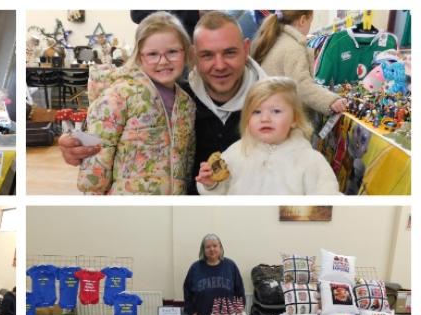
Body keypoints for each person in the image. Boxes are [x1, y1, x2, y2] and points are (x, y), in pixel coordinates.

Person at [61, 11, 268, 195]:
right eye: (207, 55)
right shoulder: (184, 97)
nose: (220, 65)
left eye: (230, 52)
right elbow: (99, 142)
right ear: (194, 55)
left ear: (246, 48)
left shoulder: (273, 103)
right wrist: (73, 143)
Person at [76, 12, 195, 195]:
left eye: (172, 52)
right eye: (153, 54)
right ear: (140, 57)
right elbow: (98, 153)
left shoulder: (187, 103)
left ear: (186, 52)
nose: (163, 61)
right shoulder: (119, 96)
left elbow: (186, 159)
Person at [196, 77, 340, 194]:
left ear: (294, 119)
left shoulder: (310, 161)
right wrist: (211, 184)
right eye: (256, 112)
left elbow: (327, 200)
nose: (265, 118)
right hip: (242, 227)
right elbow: (221, 195)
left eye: (276, 111)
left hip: (288, 229)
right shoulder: (237, 152)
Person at [251, 11, 347, 116]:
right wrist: (331, 100)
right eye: (310, 22)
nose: (309, 27)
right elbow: (302, 86)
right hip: (282, 119)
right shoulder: (293, 48)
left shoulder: (274, 40)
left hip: (267, 113)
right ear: (302, 21)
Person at [183, 234, 245, 315]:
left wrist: (238, 311)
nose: (212, 249)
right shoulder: (195, 268)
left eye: (215, 246)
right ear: (203, 250)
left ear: (220, 247)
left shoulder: (231, 266)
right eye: (208, 247)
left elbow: (240, 292)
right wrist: (191, 312)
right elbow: (187, 293)